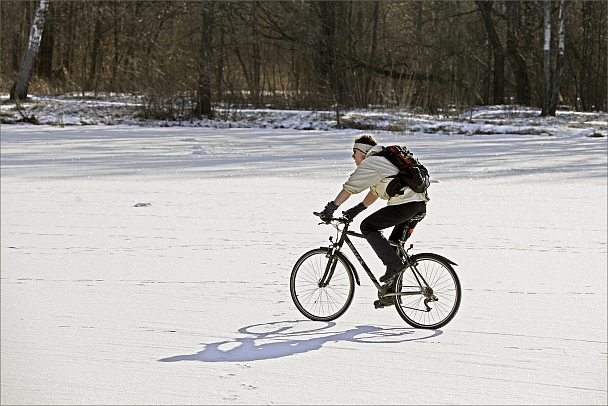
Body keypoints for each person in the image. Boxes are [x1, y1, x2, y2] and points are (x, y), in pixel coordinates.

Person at [317, 134, 429, 285]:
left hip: (405, 205)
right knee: (394, 246)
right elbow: (374, 192)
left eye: (354, 152)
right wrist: (357, 209)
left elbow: (349, 188)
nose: (352, 156)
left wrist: (331, 208)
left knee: (368, 226)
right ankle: (392, 293)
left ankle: (393, 265)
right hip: (419, 206)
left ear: (363, 152)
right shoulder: (384, 160)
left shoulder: (372, 162)